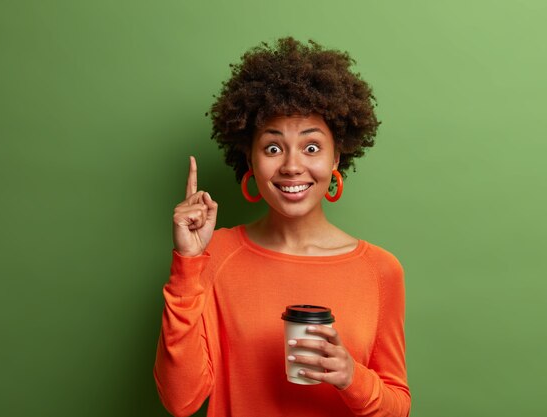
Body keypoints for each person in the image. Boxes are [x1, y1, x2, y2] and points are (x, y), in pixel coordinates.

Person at [154, 37, 411, 417]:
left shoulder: (381, 270)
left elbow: (398, 407)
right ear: (250, 159)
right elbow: (182, 401)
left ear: (337, 156)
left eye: (311, 147)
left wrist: (349, 376)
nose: (292, 166)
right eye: (273, 148)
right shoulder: (215, 255)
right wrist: (187, 264)